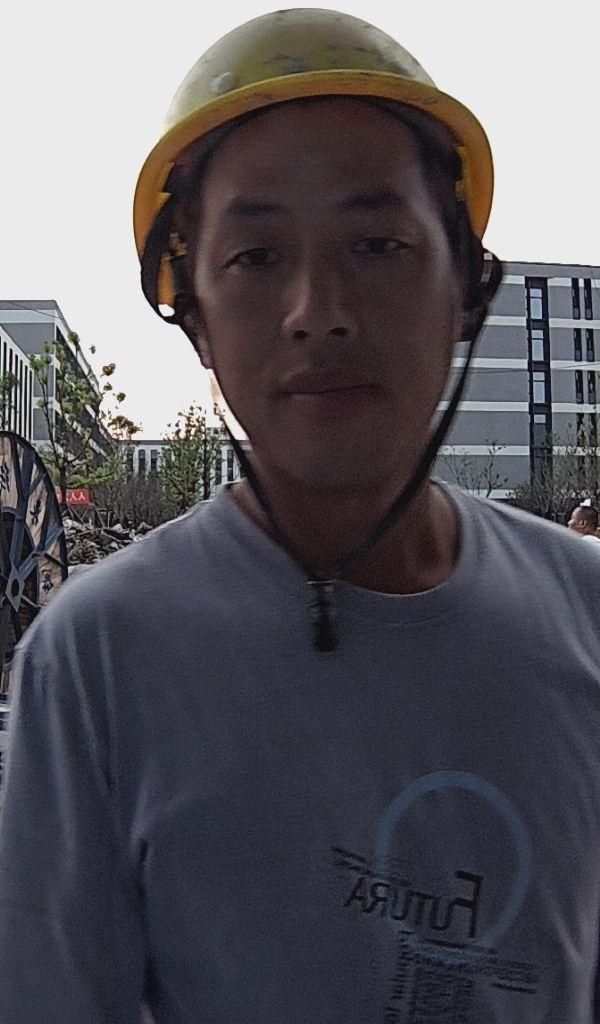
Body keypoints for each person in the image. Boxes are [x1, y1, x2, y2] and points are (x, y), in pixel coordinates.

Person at [2, 9, 600, 1023]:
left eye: (377, 243)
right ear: (192, 316)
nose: (318, 311)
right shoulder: (97, 658)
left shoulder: (585, 613)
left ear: (466, 288)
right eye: (256, 256)